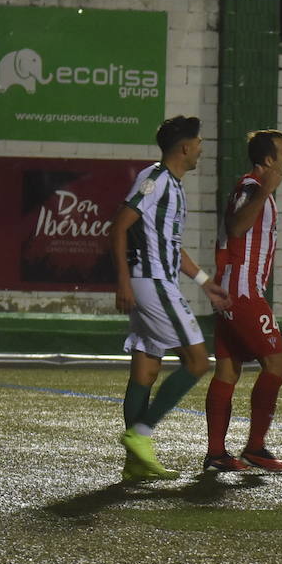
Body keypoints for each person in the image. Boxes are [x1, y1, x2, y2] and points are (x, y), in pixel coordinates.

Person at [110, 115, 231, 482]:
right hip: (152, 282)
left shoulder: (173, 185)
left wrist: (204, 281)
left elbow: (171, 246)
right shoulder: (156, 179)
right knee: (197, 361)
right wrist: (124, 282)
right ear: (184, 147)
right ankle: (140, 434)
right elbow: (118, 226)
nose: (201, 148)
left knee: (146, 367)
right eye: (197, 142)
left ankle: (135, 464)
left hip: (157, 279)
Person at [203, 129, 282, 473]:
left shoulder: (253, 190)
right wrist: (265, 190)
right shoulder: (252, 188)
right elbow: (237, 227)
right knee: (277, 363)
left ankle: (216, 455)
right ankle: (255, 448)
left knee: (228, 369)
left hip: (232, 292)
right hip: (243, 295)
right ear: (268, 160)